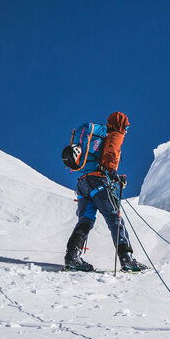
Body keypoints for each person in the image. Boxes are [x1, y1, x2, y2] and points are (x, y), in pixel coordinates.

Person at [63, 112, 148, 272]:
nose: (126, 131)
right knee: (115, 219)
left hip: (83, 183)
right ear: (120, 124)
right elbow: (111, 152)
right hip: (99, 182)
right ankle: (126, 259)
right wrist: (113, 174)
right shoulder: (114, 134)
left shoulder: (97, 135)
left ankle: (72, 256)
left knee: (85, 220)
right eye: (126, 127)